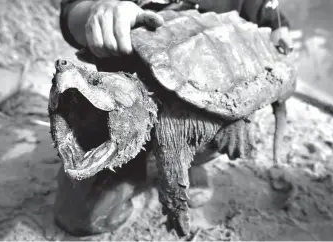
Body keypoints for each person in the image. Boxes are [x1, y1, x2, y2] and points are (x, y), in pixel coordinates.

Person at [55, 0, 293, 236]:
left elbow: (269, 16)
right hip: (124, 94)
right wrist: (97, 10)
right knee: (80, 217)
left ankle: (196, 160)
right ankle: (130, 155)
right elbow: (72, 12)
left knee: (189, 138)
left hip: (203, 102)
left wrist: (281, 33)